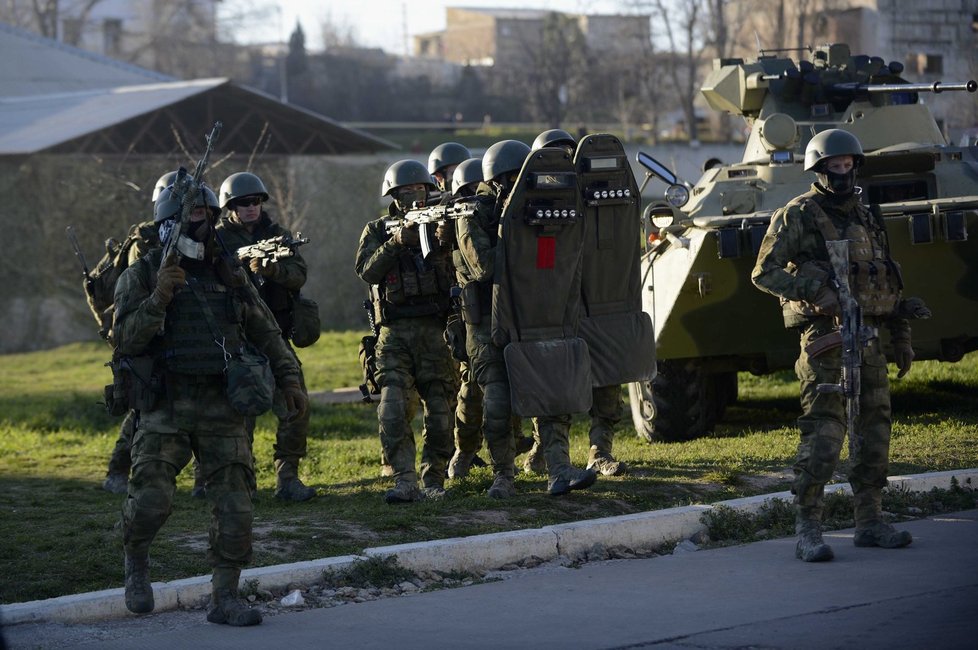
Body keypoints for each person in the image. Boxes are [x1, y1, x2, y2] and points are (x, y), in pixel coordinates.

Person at [114, 179, 307, 625]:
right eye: (190, 218)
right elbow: (124, 339)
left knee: (236, 506)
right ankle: (136, 562)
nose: (200, 228)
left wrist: (289, 378)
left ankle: (225, 598)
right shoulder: (141, 274)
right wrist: (160, 296)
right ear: (167, 224)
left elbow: (265, 330)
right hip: (166, 405)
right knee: (150, 502)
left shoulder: (228, 272)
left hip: (223, 406)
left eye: (207, 217)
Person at [751, 129, 916, 562]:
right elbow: (763, 273)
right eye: (834, 164)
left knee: (875, 433)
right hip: (825, 343)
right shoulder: (797, 215)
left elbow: (887, 278)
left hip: (870, 340)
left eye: (848, 164)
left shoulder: (867, 215)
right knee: (824, 436)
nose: (842, 171)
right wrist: (813, 289)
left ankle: (870, 521)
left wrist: (901, 335)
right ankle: (808, 528)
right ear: (819, 168)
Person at [355, 160, 456, 504]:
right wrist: (397, 241)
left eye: (419, 189)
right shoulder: (377, 230)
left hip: (436, 330)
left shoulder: (444, 219)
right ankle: (404, 479)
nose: (414, 196)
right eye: (406, 191)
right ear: (393, 195)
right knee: (393, 408)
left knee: (441, 411)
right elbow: (367, 271)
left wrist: (447, 238)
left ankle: (435, 479)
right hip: (394, 334)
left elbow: (469, 261)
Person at [216, 171, 316, 502]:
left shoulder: (278, 235)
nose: (251, 208)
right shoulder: (216, 241)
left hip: (275, 337)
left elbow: (298, 275)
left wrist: (271, 269)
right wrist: (238, 267)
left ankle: (288, 477)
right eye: (243, 203)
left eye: (256, 202)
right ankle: (240, 480)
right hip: (237, 342)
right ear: (230, 207)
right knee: (239, 415)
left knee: (295, 402)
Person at [101, 171, 173, 494]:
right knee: (142, 409)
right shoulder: (144, 241)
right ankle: (118, 468)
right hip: (142, 331)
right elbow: (141, 280)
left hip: (172, 330)